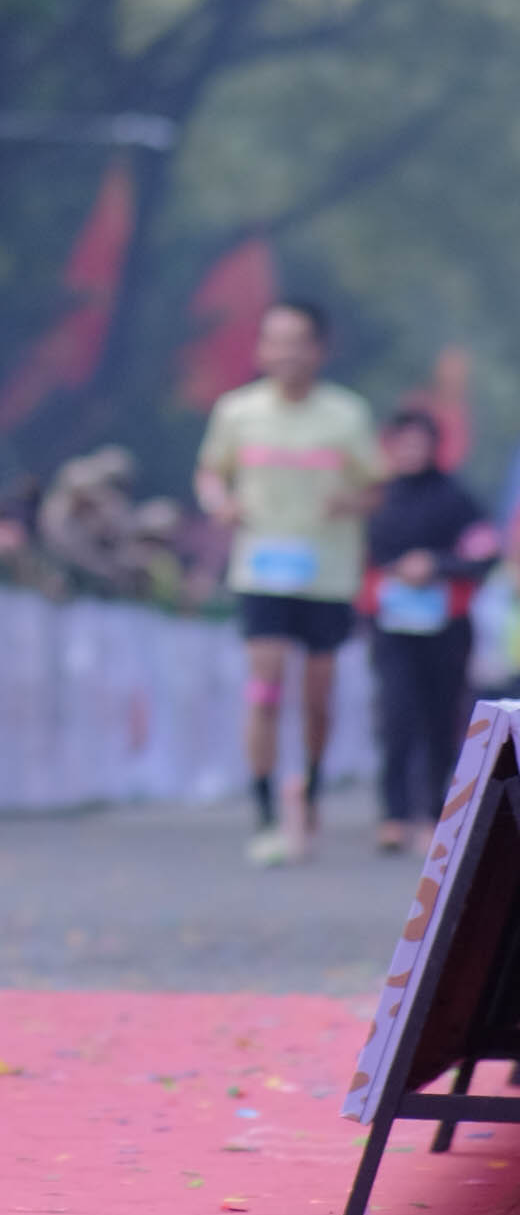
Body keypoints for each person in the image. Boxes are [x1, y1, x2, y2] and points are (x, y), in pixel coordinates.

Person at [194, 298, 379, 865]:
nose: (286, 353)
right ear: (261, 348)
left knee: (316, 697)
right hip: (261, 568)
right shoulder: (237, 411)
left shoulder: (347, 415)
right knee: (266, 682)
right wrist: (220, 503)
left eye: (298, 342)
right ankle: (265, 812)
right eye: (275, 340)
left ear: (319, 350)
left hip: (326, 574)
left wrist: (350, 501)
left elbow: (377, 487)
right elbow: (211, 473)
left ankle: (311, 791)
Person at [361, 408, 497, 854]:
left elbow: (484, 553)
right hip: (390, 626)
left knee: (440, 719)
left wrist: (436, 565)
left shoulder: (456, 499)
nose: (411, 451)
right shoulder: (376, 498)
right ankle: (393, 813)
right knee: (395, 715)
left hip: (446, 627)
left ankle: (435, 811)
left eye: (419, 443)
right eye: (403, 443)